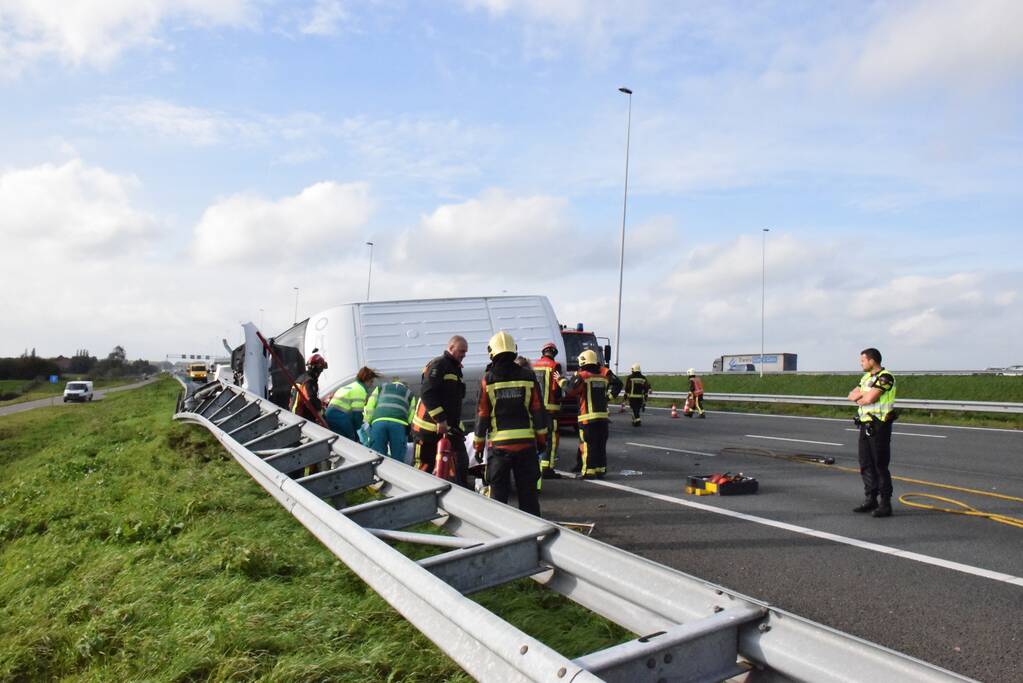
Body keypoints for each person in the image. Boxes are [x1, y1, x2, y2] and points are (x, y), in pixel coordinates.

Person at [473, 331, 546, 516]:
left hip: (500, 448)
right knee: (528, 496)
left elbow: (482, 415)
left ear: (492, 352)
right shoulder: (528, 376)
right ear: (514, 350)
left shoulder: (487, 380)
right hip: (526, 445)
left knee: (499, 497)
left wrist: (478, 445)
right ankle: (533, 536)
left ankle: (501, 536)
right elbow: (538, 409)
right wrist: (542, 439)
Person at [412, 335, 471, 487]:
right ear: (451, 348)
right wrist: (440, 419)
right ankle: (416, 496)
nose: (464, 355)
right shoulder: (439, 364)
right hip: (428, 429)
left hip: (448, 429)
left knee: (460, 463)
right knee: (424, 467)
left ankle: (459, 499)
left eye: (465, 352)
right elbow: (427, 393)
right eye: (461, 351)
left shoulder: (455, 368)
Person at [847, 347, 898, 518]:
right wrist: (862, 396)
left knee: (880, 465)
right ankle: (871, 499)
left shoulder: (886, 377)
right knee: (866, 464)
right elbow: (850, 395)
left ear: (872, 360)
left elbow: (868, 399)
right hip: (865, 424)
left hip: (879, 425)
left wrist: (862, 396)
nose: (861, 363)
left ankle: (885, 503)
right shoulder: (866, 377)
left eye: (862, 360)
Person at [560, 349, 622, 479]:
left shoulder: (583, 376)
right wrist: (608, 397)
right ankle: (600, 469)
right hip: (603, 417)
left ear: (583, 361)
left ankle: (588, 471)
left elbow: (571, 390)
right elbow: (618, 383)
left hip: (587, 418)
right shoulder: (604, 374)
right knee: (600, 444)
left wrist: (560, 380)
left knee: (588, 445)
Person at [532, 342, 564, 481]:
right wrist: (559, 398)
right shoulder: (555, 366)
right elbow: (555, 389)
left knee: (537, 437)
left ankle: (537, 466)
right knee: (551, 439)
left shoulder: (534, 366)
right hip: (551, 410)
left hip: (536, 409)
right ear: (554, 353)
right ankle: (547, 468)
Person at [365, 378, 416, 462]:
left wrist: (369, 422)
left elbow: (370, 405)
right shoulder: (409, 393)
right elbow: (412, 413)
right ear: (405, 386)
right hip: (399, 424)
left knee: (377, 455)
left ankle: (379, 473)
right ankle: (394, 473)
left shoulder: (380, 388)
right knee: (397, 456)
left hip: (379, 422)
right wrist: (407, 429)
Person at [324, 367, 380, 442]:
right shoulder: (360, 390)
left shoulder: (351, 386)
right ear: (366, 380)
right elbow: (357, 415)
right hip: (340, 417)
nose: (371, 385)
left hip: (330, 415)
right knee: (351, 441)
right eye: (371, 382)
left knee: (340, 440)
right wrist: (358, 428)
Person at [290, 353, 327, 422]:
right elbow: (311, 399)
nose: (321, 372)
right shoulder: (309, 382)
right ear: (318, 369)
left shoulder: (301, 378)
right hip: (302, 418)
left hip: (295, 415)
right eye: (321, 369)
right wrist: (321, 410)